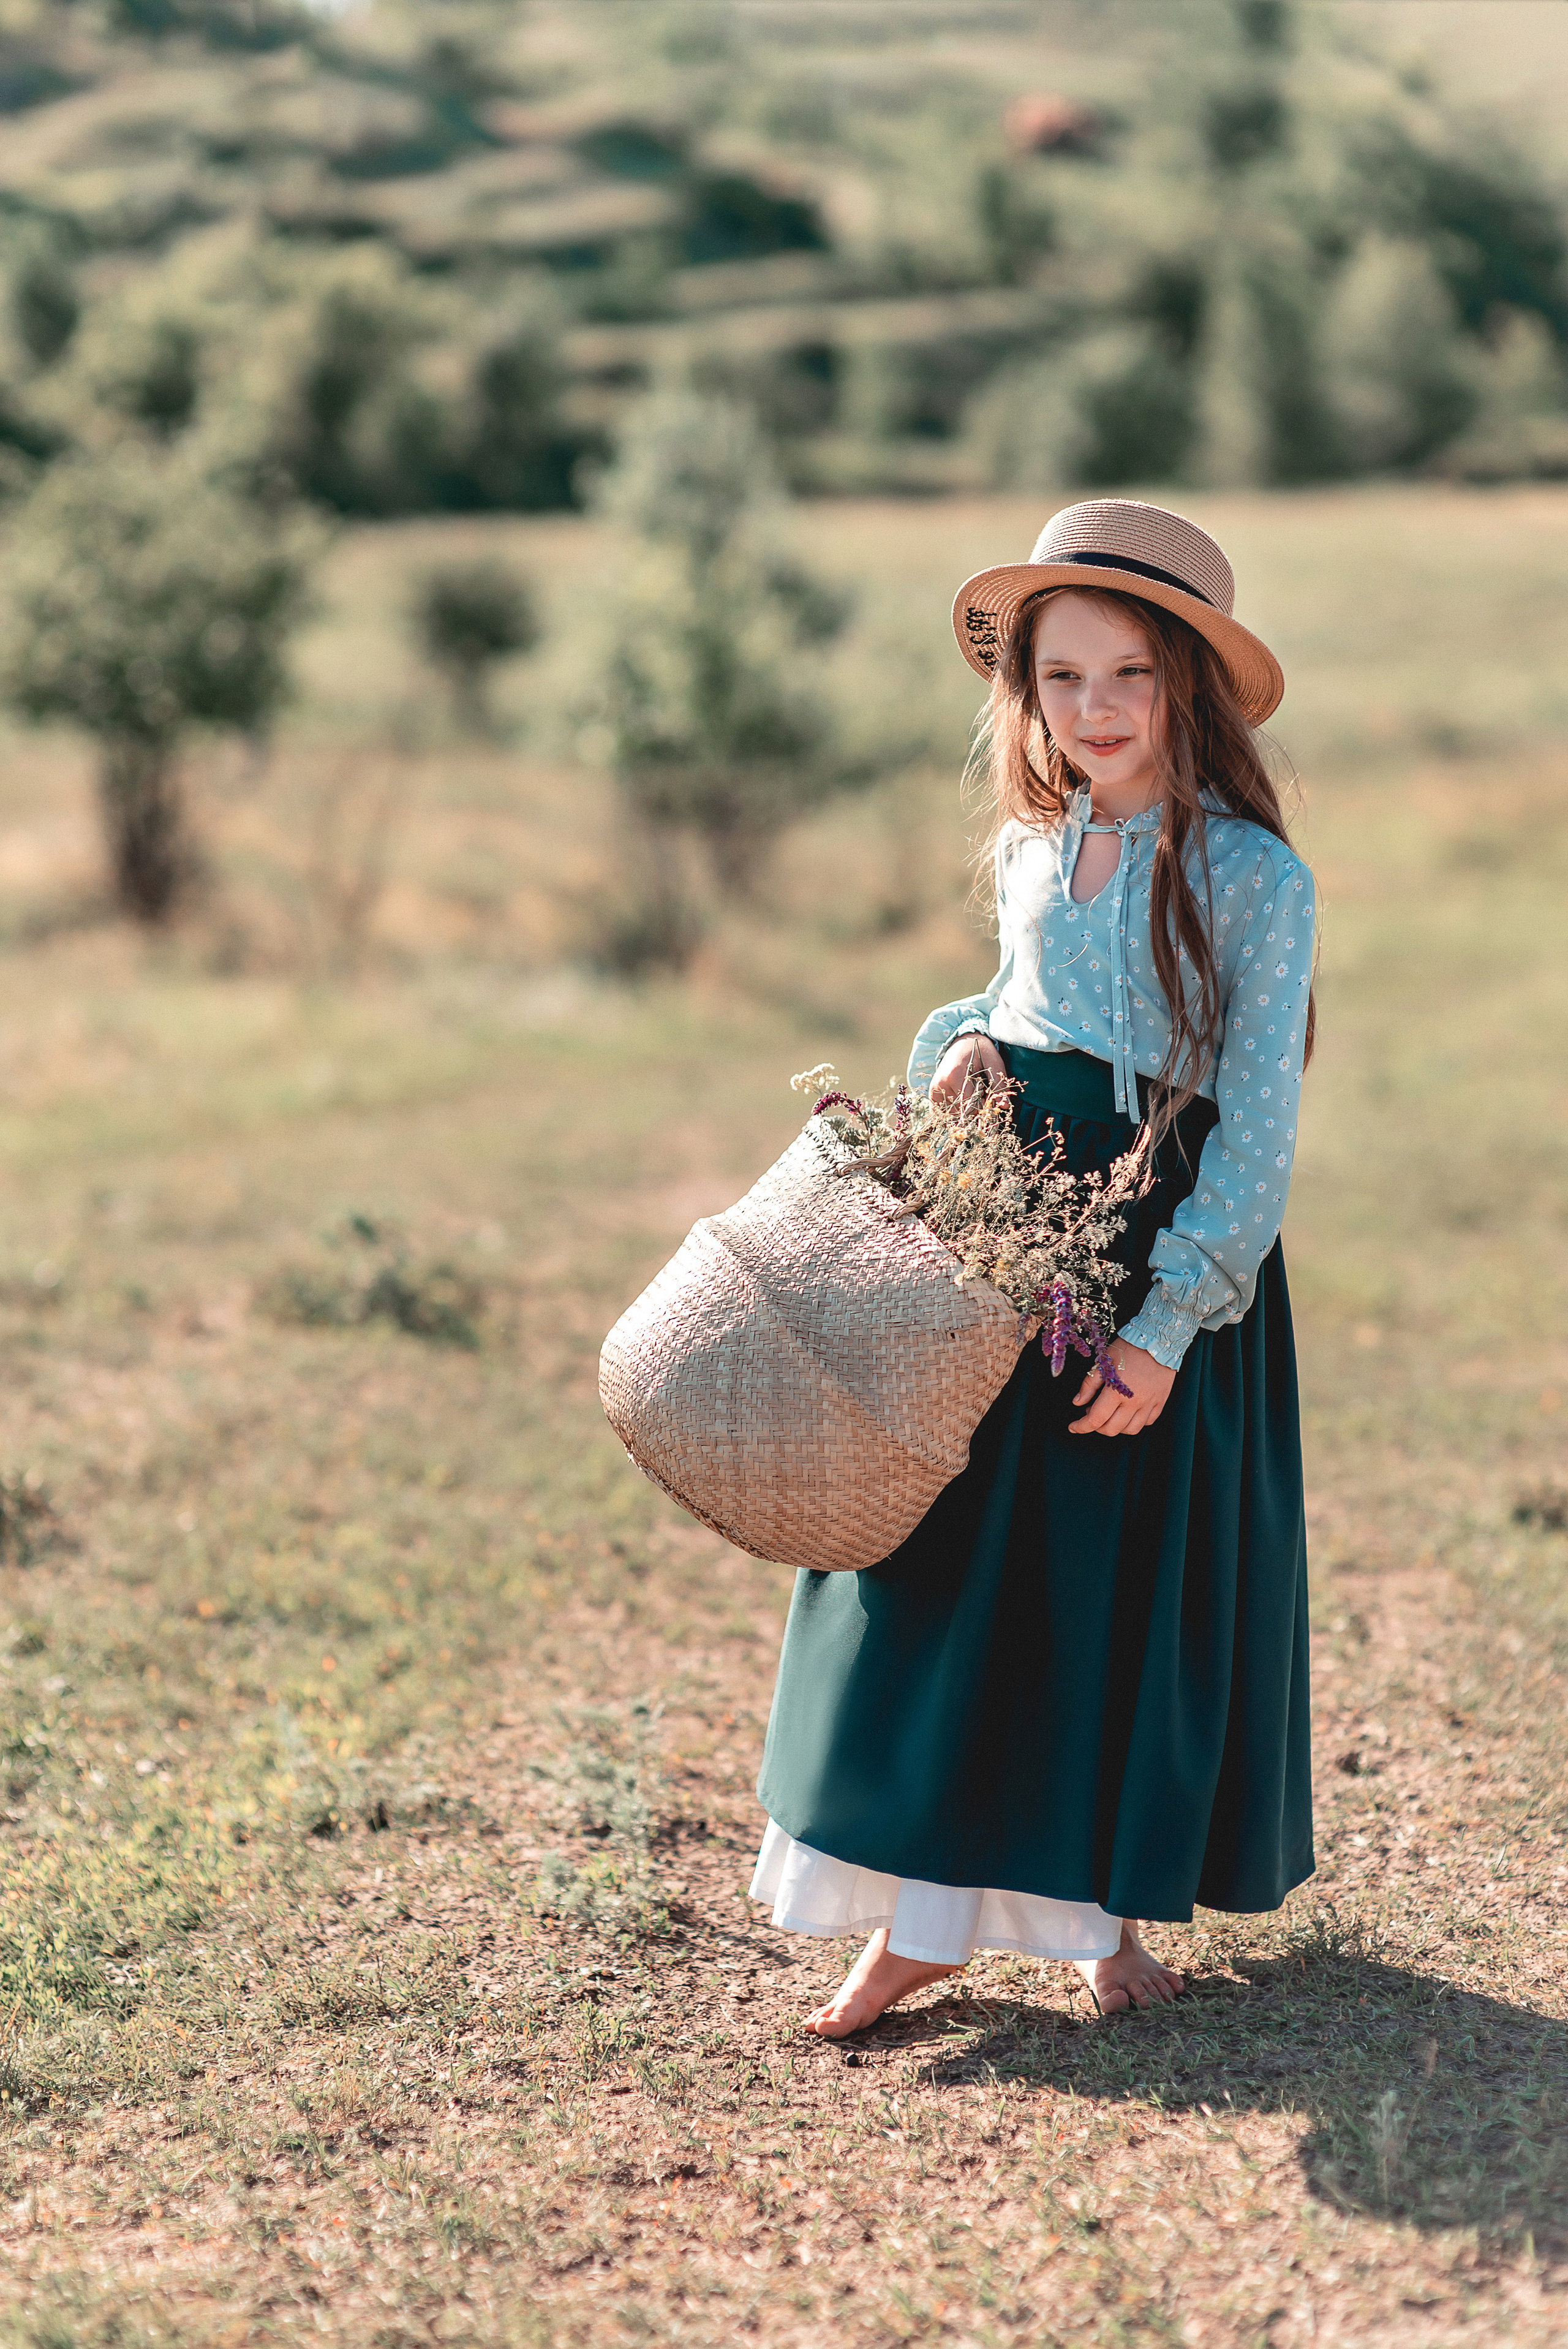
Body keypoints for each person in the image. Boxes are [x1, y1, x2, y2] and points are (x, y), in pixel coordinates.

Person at [748, 498, 1317, 2032]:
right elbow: (1011, 1002)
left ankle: (1093, 1917)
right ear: (1023, 694)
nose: (1094, 708)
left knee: (1098, 1580)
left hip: (1144, 1249)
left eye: (1128, 674)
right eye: (1061, 677)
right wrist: (956, 1046)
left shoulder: (1254, 878)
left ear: (1185, 686)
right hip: (1004, 1233)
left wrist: (1165, 1325)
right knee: (932, 1552)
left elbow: (1255, 1127)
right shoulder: (1029, 845)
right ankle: (913, 1922)